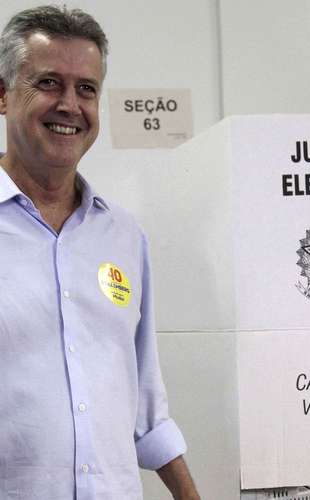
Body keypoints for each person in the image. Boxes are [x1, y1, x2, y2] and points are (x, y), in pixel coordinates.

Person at [0, 5, 200, 500]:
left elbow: (146, 405)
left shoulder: (123, 237)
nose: (70, 104)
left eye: (86, 89)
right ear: (3, 96)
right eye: (48, 83)